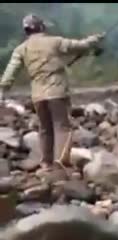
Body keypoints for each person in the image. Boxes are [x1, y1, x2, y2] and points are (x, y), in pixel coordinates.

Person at [0, 14, 105, 174]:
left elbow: (10, 72)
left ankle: (46, 164)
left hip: (38, 95)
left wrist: (2, 89)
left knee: (45, 129)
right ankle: (60, 163)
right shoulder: (55, 41)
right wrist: (95, 39)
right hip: (57, 92)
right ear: (41, 27)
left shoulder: (21, 49)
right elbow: (80, 45)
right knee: (62, 127)